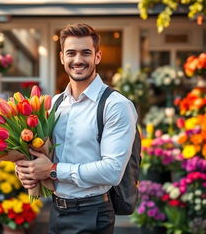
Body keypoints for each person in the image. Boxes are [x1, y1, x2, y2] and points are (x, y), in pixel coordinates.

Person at [15, 23, 137, 234]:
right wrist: (27, 170)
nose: (78, 60)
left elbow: (112, 171)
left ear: (97, 57)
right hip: (57, 210)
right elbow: (45, 154)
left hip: (92, 213)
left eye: (86, 53)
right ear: (62, 57)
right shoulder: (54, 104)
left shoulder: (115, 105)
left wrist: (52, 170)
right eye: (71, 53)